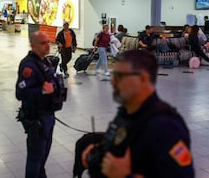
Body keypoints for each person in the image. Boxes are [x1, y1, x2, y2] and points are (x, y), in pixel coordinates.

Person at [81, 50, 194, 178]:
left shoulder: (165, 127)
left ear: (143, 78)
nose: (113, 82)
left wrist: (125, 176)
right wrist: (99, 155)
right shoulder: (126, 114)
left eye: (119, 76)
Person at [16, 31, 64, 178]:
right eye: (43, 43)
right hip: (37, 120)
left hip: (48, 116)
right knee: (35, 159)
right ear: (33, 45)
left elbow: (53, 82)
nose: (47, 46)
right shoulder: (28, 65)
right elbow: (20, 93)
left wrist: (55, 87)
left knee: (42, 158)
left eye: (48, 42)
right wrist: (42, 91)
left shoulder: (45, 62)